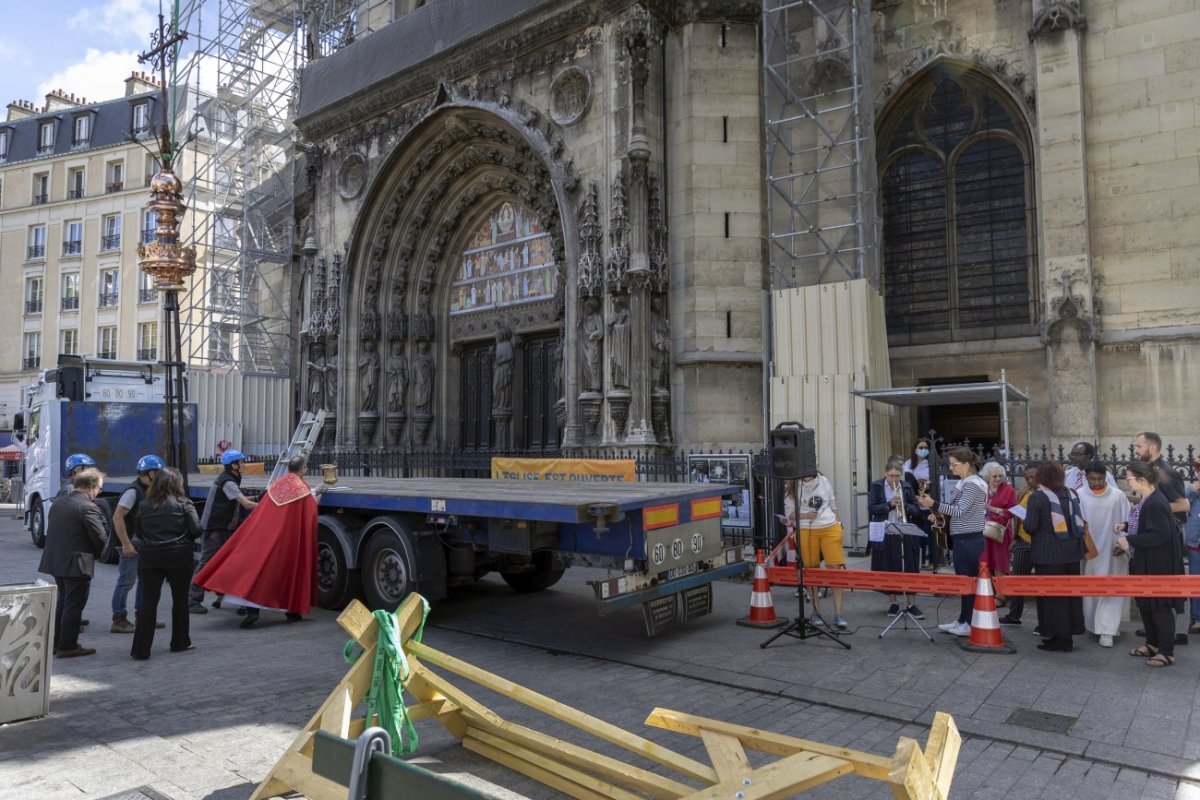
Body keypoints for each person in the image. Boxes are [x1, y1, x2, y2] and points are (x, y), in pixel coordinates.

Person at [194, 456, 322, 628]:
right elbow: (310, 510)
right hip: (285, 539)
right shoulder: (301, 488)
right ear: (302, 470)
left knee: (255, 571)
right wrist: (319, 494)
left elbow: (265, 506)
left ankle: (251, 611)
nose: (243, 465)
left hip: (264, 535)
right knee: (287, 572)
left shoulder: (277, 484)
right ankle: (292, 612)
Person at [1117, 460, 1184, 667]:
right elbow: (1147, 524)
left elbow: (1160, 534)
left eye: (1129, 479)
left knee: (1159, 607)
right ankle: (1153, 644)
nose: (1127, 482)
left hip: (1157, 565)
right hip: (1146, 561)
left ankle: (1166, 651)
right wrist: (1127, 526)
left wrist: (1129, 539)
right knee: (1146, 605)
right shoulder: (1149, 499)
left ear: (1142, 480)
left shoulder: (1155, 502)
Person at [131, 468, 202, 659]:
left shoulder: (144, 505)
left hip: (150, 558)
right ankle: (180, 642)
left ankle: (140, 650)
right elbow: (196, 530)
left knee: (148, 603)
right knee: (180, 602)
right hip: (178, 557)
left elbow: (139, 531)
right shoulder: (184, 504)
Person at [917, 447, 987, 637]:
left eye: (954, 464)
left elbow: (959, 511)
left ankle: (969, 623)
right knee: (964, 583)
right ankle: (963, 620)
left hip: (970, 539)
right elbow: (954, 511)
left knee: (969, 583)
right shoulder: (964, 483)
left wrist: (933, 504)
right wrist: (937, 516)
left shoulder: (973, 484)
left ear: (966, 464)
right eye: (950, 464)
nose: (951, 468)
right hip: (963, 538)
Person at [38, 468, 107, 658]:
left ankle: (56, 643)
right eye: (99, 489)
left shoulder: (59, 503)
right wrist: (100, 553)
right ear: (91, 487)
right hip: (77, 563)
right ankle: (68, 645)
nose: (99, 493)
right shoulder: (88, 507)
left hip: (56, 561)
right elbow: (100, 537)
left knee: (63, 602)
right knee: (73, 605)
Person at [1024, 461, 1086, 652]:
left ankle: (1059, 637)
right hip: (1072, 553)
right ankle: (1067, 635)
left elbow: (1030, 527)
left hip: (1047, 555)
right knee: (1069, 596)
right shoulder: (1071, 493)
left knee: (1052, 598)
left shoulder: (1038, 498)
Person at [189, 449, 257, 613]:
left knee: (232, 562)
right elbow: (245, 504)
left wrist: (260, 497)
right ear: (234, 465)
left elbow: (242, 499)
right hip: (215, 529)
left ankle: (229, 598)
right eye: (241, 462)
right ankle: (192, 601)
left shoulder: (231, 478)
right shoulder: (228, 482)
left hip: (224, 528)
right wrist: (267, 507)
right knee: (206, 564)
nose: (244, 464)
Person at [785, 471, 848, 629]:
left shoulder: (824, 481)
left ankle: (839, 613)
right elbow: (789, 514)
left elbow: (833, 506)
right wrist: (805, 516)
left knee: (835, 568)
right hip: (806, 530)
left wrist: (840, 527)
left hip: (829, 528)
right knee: (811, 569)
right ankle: (816, 612)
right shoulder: (793, 486)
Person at [110, 455, 165, 634]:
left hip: (143, 545)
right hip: (130, 545)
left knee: (144, 581)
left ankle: (143, 616)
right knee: (126, 582)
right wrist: (126, 544)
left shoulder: (149, 491)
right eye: (159, 474)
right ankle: (119, 619)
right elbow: (117, 517)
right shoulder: (133, 492)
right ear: (151, 473)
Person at [1079, 459, 1131, 648]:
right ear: (1087, 478)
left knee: (1111, 589)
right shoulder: (1079, 496)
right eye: (1093, 479)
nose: (1097, 483)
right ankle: (1094, 626)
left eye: (1100, 478)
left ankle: (1108, 630)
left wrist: (1123, 543)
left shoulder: (1118, 496)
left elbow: (1127, 521)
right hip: (1090, 552)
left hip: (1113, 550)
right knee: (1093, 589)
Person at [867, 457, 923, 618]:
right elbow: (871, 507)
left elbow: (917, 510)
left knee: (909, 567)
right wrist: (889, 505)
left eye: (897, 476)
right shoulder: (877, 486)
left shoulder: (906, 487)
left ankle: (912, 604)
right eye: (891, 476)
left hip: (904, 531)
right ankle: (893, 603)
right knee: (888, 566)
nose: (894, 479)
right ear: (885, 474)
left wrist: (905, 505)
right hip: (885, 531)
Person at [1000, 463, 1039, 626]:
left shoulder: (1046, 495)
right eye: (1027, 478)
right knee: (1017, 579)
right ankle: (1014, 615)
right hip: (1023, 541)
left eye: (1033, 477)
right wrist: (1015, 538)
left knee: (1042, 582)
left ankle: (1043, 621)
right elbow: (1016, 517)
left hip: (1040, 543)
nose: (1030, 481)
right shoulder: (1024, 493)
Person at [1134, 432, 1189, 524]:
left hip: (1168, 532)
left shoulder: (1167, 473)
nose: (1135, 450)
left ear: (1152, 448)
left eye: (1139, 446)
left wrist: (1148, 507)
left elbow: (1184, 505)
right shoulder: (1150, 469)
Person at [981, 462, 1017, 602]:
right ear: (987, 476)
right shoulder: (982, 488)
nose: (997, 479)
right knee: (985, 561)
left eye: (1000, 476)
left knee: (999, 562)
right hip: (982, 529)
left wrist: (993, 509)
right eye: (994, 476)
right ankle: (988, 592)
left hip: (999, 531)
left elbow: (1013, 511)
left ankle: (1000, 595)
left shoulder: (1009, 490)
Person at [902, 439, 938, 570]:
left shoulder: (931, 464)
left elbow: (935, 482)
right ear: (915, 449)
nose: (923, 449)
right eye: (921, 447)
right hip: (914, 501)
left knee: (930, 533)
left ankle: (932, 560)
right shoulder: (908, 464)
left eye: (925, 447)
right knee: (917, 532)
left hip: (928, 501)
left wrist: (925, 483)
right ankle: (918, 560)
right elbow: (907, 483)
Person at [1183, 476, 1200, 635]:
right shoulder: (1194, 492)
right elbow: (1181, 504)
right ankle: (1197, 618)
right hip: (1195, 544)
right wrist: (1191, 490)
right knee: (1196, 581)